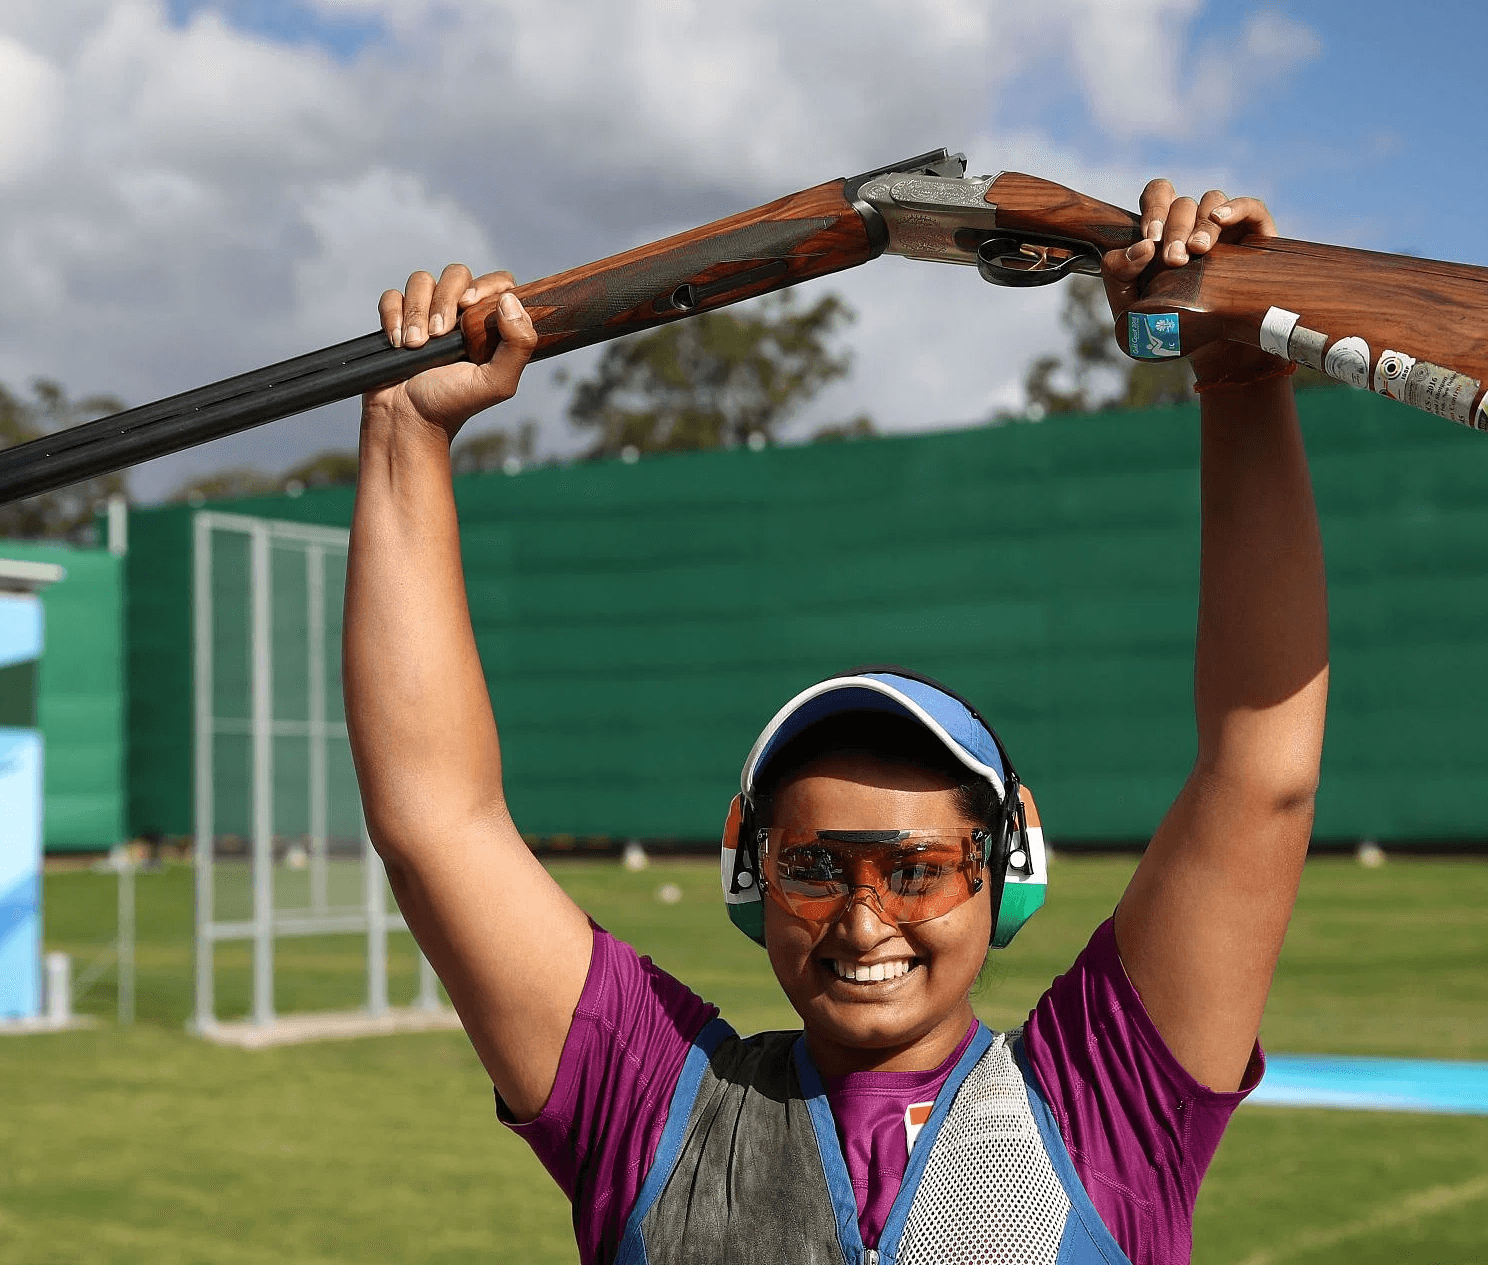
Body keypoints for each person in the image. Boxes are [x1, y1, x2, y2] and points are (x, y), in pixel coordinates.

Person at [343, 180, 1328, 1265]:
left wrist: (1238, 376)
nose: (863, 922)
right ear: (750, 869)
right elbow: (438, 820)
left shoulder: (1108, 1105)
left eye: (917, 868)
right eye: (816, 866)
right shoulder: (652, 1105)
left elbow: (1258, 770)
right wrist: (406, 429)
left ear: (1009, 869)